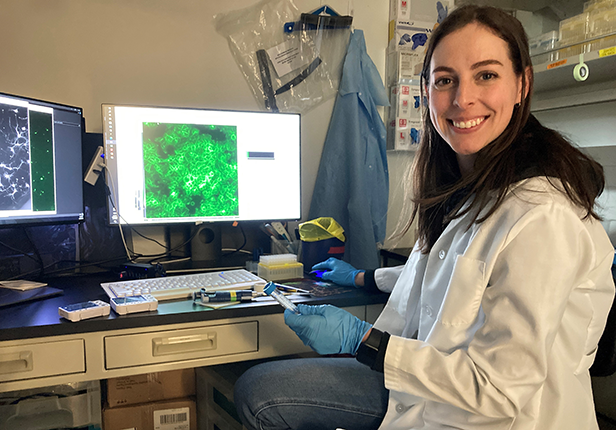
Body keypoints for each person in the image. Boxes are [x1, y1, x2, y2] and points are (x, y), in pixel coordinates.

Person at [233, 5, 616, 430]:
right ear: (426, 91)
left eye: (486, 75)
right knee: (259, 386)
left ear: (522, 83)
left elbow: (497, 389)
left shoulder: (544, 217)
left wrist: (362, 340)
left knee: (262, 394)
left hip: (500, 416)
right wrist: (362, 278)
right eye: (445, 80)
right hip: (428, 387)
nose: (462, 98)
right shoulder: (468, 186)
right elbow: (456, 277)